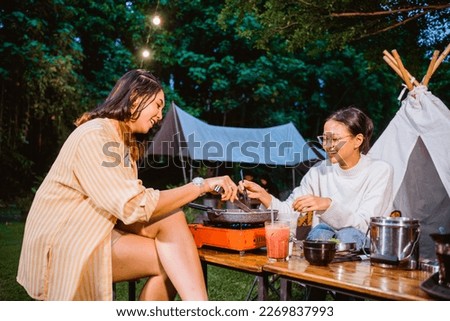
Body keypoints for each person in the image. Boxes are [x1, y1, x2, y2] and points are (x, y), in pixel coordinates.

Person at [16, 69, 239, 301]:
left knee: (173, 223)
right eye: (158, 105)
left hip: (96, 228)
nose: (160, 116)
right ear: (135, 98)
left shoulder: (119, 143)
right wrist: (200, 185)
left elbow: (131, 206)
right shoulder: (95, 135)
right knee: (174, 262)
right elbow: (134, 205)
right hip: (67, 239)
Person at [240, 106, 394, 250]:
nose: (328, 146)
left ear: (358, 140)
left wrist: (328, 205)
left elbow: (365, 225)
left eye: (335, 139)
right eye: (325, 139)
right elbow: (290, 213)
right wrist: (265, 197)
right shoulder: (318, 171)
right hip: (323, 244)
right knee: (321, 231)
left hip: (362, 248)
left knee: (348, 234)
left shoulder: (379, 171)